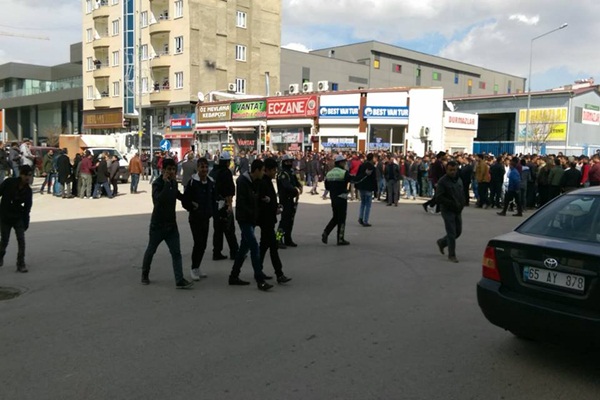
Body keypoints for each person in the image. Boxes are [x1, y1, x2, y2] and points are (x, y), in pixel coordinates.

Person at [140, 158, 193, 289]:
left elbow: (178, 195)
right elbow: (158, 200)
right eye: (169, 169)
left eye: (173, 169)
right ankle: (145, 274)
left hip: (171, 225)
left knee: (176, 253)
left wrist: (191, 202)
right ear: (163, 170)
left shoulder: (173, 183)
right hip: (158, 225)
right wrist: (165, 184)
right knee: (151, 250)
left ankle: (179, 280)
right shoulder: (157, 184)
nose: (172, 172)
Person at [229, 159, 273, 291]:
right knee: (254, 246)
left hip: (252, 218)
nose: (263, 173)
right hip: (245, 219)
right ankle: (259, 280)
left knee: (244, 248)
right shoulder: (243, 181)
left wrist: (263, 199)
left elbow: (256, 197)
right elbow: (243, 202)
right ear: (257, 170)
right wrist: (254, 207)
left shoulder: (256, 181)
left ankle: (234, 275)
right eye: (262, 171)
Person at [258, 158, 292, 284]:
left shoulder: (269, 181)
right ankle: (279, 273)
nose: (275, 172)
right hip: (268, 219)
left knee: (264, 247)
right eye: (273, 170)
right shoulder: (264, 182)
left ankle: (259, 269)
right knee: (273, 246)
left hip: (272, 217)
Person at [182, 157, 215, 281]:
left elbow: (213, 198)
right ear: (197, 168)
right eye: (202, 167)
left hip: (206, 217)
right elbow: (185, 200)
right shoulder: (192, 183)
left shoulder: (211, 182)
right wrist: (192, 206)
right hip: (195, 218)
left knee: (203, 244)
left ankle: (197, 266)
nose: (204, 170)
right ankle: (193, 268)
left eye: (206, 167)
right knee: (198, 243)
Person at [0, 165, 33, 272]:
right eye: (26, 175)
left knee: (21, 241)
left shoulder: (28, 191)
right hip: (5, 216)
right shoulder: (9, 182)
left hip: (18, 217)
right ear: (21, 174)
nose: (28, 177)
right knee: (4, 240)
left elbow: (27, 208)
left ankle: (21, 264)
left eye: (30, 175)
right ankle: (0, 256)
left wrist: (26, 222)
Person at [434, 160, 465, 263]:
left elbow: (462, 193)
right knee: (451, 233)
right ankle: (452, 255)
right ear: (446, 170)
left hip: (458, 209)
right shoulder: (443, 181)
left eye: (454, 170)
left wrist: (462, 203)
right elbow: (439, 197)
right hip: (447, 210)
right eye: (450, 170)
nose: (453, 172)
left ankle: (442, 242)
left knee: (458, 232)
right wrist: (451, 203)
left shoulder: (458, 179)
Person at [211, 151, 239, 260]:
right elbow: (229, 190)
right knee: (229, 229)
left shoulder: (213, 172)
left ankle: (216, 252)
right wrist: (229, 206)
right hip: (224, 204)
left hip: (215, 205)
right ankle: (234, 252)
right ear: (227, 162)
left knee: (218, 230)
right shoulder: (226, 173)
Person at [321, 154, 351, 246]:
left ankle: (326, 232)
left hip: (333, 198)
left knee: (336, 217)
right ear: (340, 163)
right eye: (344, 162)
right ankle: (340, 238)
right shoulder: (344, 172)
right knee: (341, 218)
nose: (345, 164)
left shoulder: (329, 173)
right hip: (342, 197)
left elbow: (327, 187)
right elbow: (351, 181)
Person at [277, 154, 302, 247]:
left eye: (291, 161)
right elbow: (286, 186)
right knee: (284, 220)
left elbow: (296, 182)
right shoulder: (282, 174)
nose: (290, 163)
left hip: (292, 199)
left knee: (290, 220)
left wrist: (299, 186)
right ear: (284, 162)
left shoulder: (291, 172)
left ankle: (288, 238)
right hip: (285, 199)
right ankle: (278, 239)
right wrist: (296, 190)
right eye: (288, 161)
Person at [355, 153, 377, 226]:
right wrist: (375, 189)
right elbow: (374, 179)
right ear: (372, 158)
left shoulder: (362, 165)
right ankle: (365, 220)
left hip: (361, 186)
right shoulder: (372, 167)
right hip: (368, 187)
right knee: (368, 205)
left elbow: (358, 175)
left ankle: (360, 217)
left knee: (363, 203)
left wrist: (357, 185)